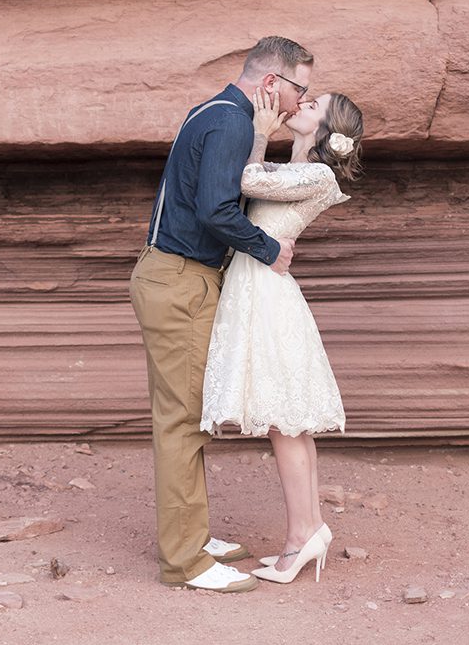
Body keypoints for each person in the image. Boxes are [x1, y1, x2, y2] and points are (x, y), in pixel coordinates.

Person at [129, 35, 313, 593]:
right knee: (183, 421)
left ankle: (192, 532)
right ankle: (184, 560)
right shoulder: (232, 122)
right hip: (180, 280)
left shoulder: (215, 110)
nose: (298, 101)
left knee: (191, 413)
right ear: (270, 83)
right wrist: (267, 247)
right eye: (298, 88)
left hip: (176, 276)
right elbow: (215, 209)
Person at [200, 85, 365, 584]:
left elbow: (246, 180)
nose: (301, 105)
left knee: (287, 424)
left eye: (312, 106)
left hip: (268, 300)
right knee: (291, 424)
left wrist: (255, 134)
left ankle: (300, 538)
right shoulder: (297, 169)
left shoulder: (314, 173)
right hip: (261, 290)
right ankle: (309, 527)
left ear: (326, 131)